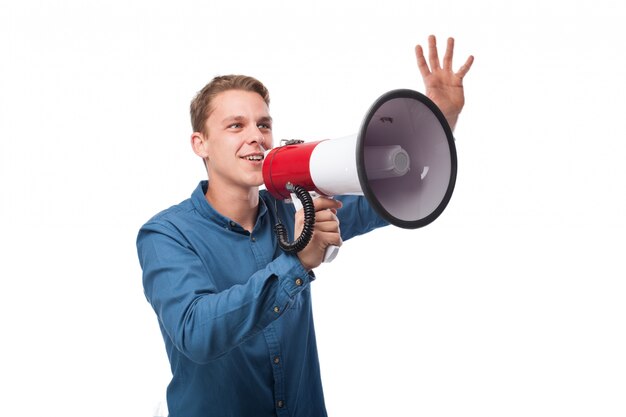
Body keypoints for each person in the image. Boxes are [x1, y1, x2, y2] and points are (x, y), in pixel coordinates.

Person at [137, 35, 473, 417]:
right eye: (235, 125)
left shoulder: (294, 205)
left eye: (263, 124)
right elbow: (196, 333)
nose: (256, 137)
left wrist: (439, 120)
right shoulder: (167, 234)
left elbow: (393, 188)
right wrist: (296, 264)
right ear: (201, 144)